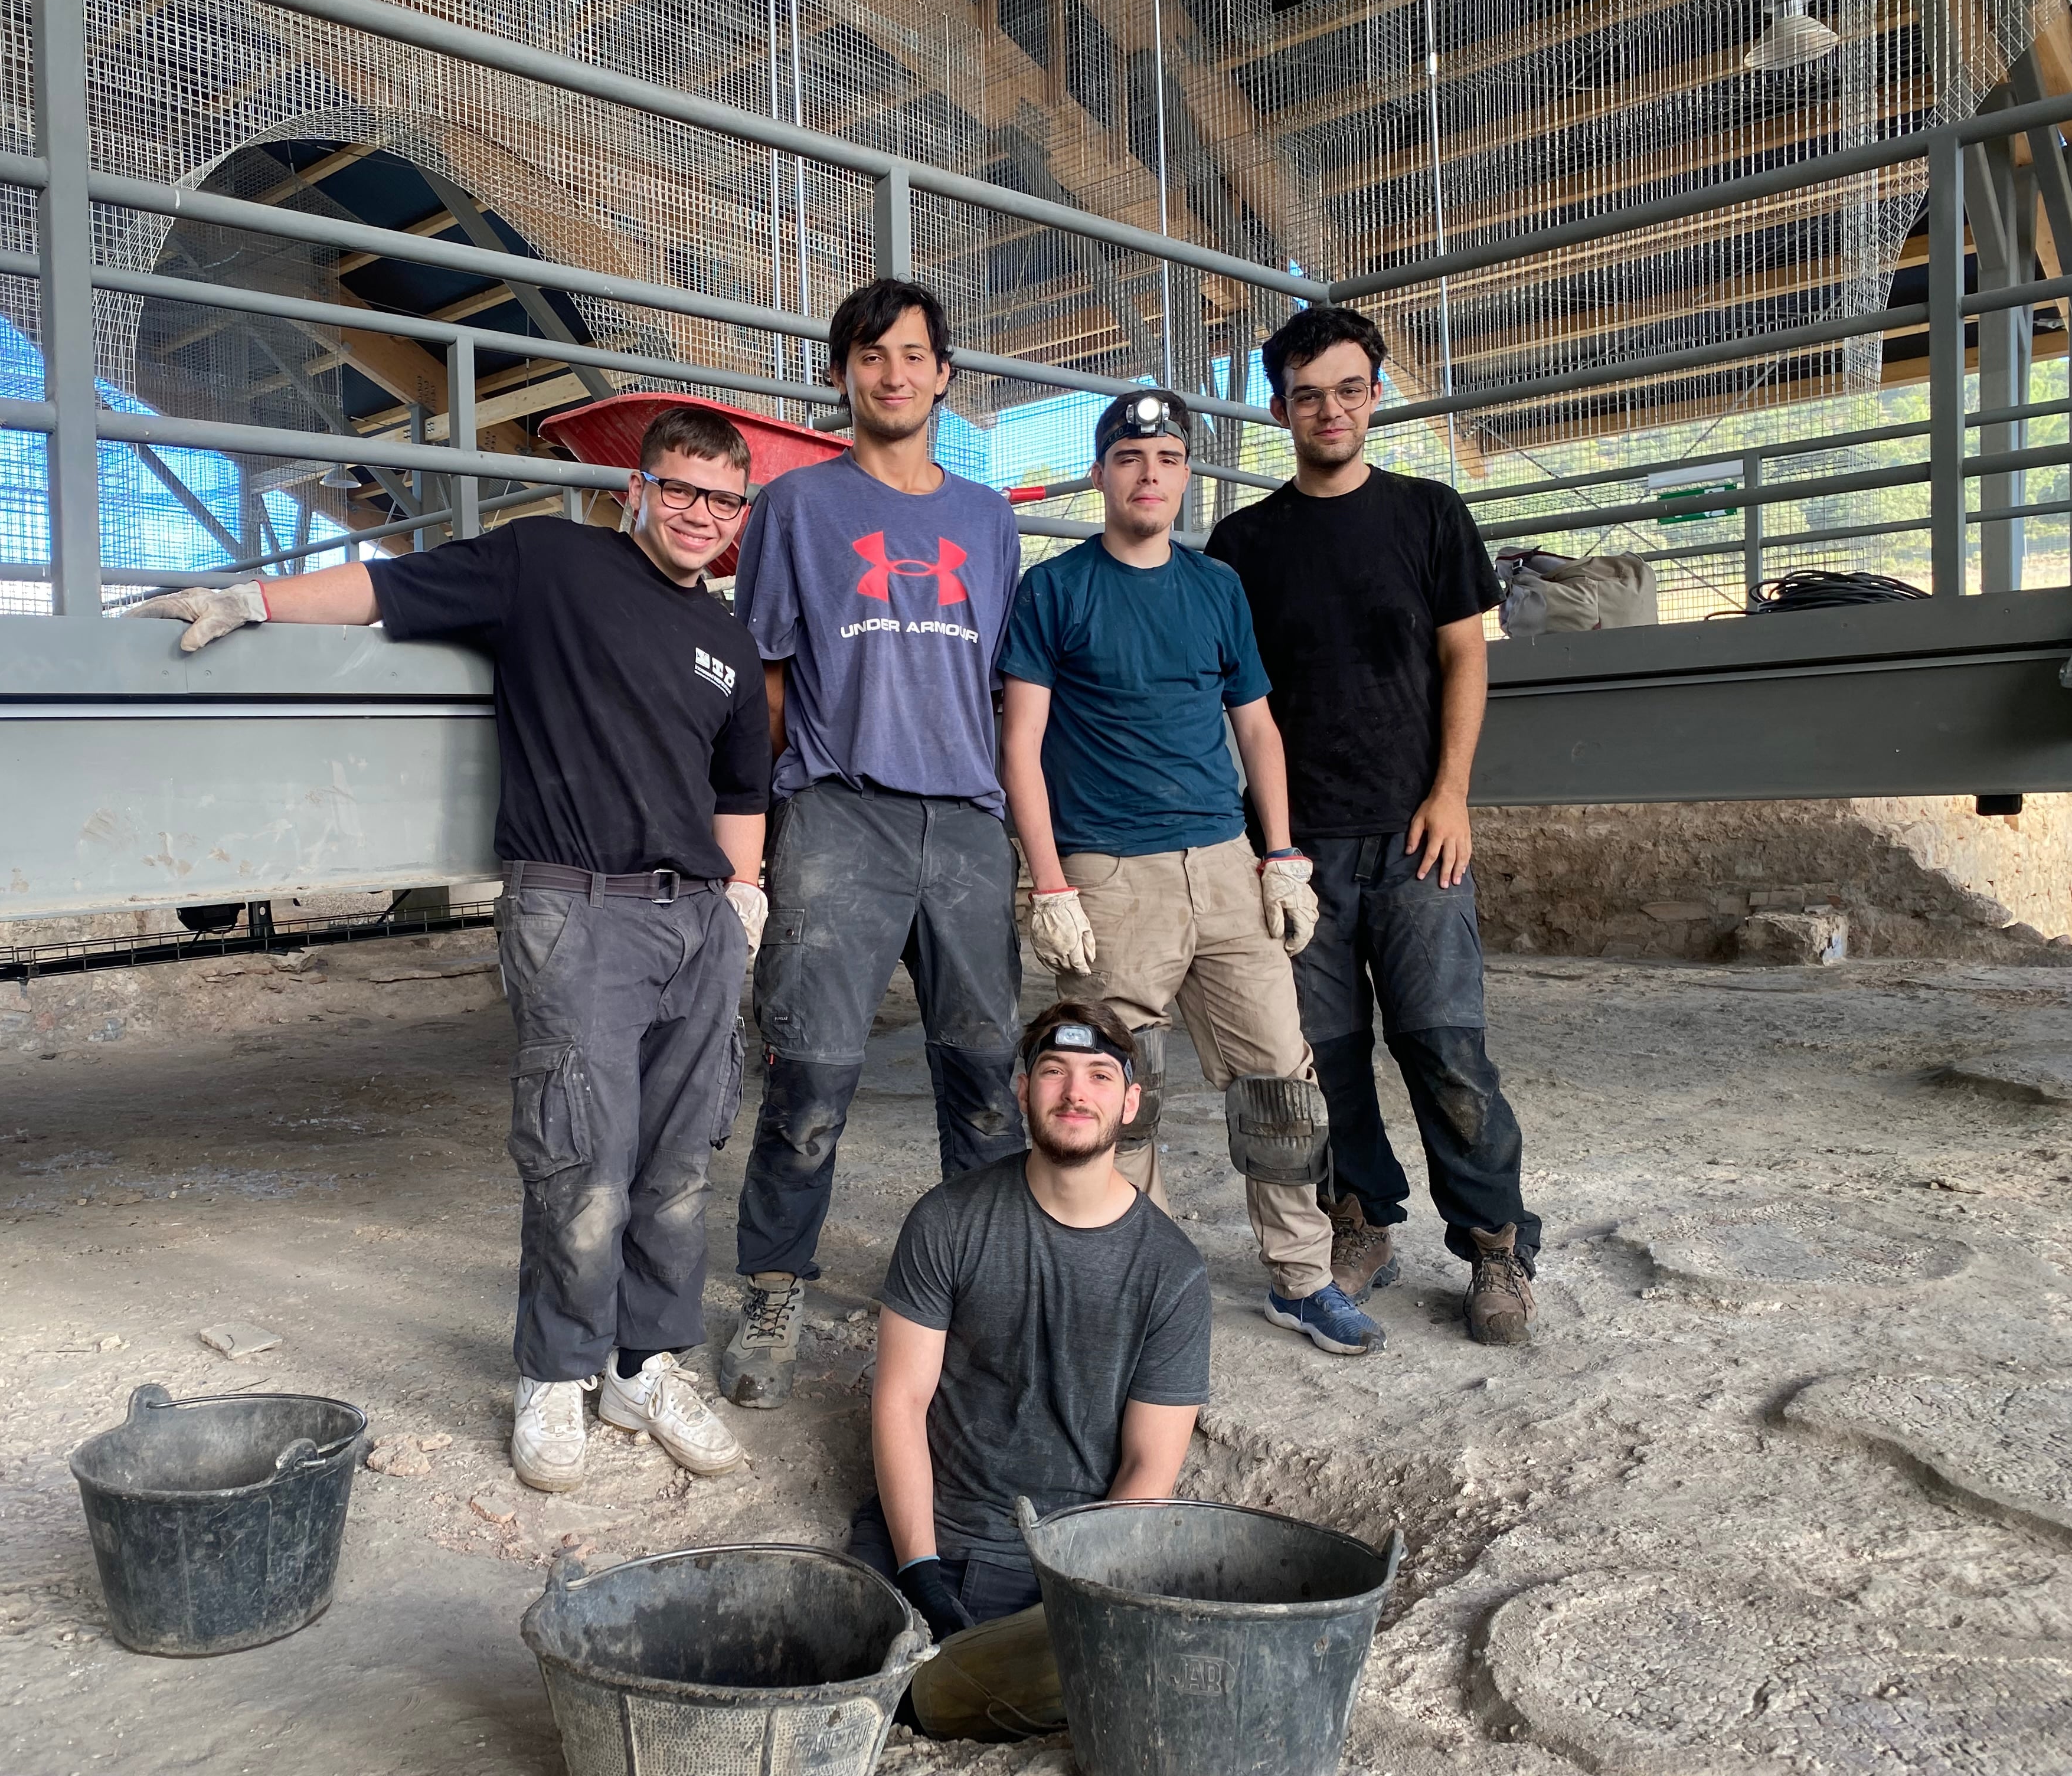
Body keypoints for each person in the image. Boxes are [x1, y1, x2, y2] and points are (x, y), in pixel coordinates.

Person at [126, 404, 774, 1483]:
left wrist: (742, 898)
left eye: (722, 498)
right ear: (637, 491)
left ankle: (645, 1362)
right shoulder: (548, 566)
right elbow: (387, 588)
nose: (700, 513)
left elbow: (741, 785)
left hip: (697, 921)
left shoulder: (726, 639)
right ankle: (557, 1371)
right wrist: (254, 598)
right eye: (680, 489)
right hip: (576, 907)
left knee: (676, 1166)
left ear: (739, 513)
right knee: (582, 1158)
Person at [998, 390, 1382, 1357]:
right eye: (1130, 457)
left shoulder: (1215, 588)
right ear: (1100, 474)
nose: (1150, 475)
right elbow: (1022, 742)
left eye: (1168, 457)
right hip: (1110, 868)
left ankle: (1299, 1274)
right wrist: (1047, 880)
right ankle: (1141, 1272)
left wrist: (1281, 852)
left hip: (1222, 861)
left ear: (1185, 475)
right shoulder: (1055, 589)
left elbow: (1255, 723)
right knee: (1115, 1082)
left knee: (1278, 1075)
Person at [1206, 306, 1542, 1346]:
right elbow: (1232, 700)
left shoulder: (1431, 515)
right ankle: (1361, 1218)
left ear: (1375, 394)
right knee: (1324, 1059)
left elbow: (1466, 658)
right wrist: (1264, 842)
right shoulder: (1241, 544)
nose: (1329, 409)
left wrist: (1451, 792)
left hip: (1414, 837)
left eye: (1348, 389)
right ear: (1279, 408)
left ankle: (1494, 1243)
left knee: (1444, 1048)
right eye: (1307, 394)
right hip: (1296, 849)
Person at [720, 277, 1030, 1408]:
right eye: (869, 354)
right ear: (841, 373)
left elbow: (1008, 688)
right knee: (808, 1073)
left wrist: (1022, 839)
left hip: (964, 819)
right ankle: (772, 1280)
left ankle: (990, 1282)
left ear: (945, 375)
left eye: (912, 355)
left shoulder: (989, 522)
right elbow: (762, 681)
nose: (892, 373)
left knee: (985, 1073)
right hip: (836, 810)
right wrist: (755, 838)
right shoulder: (798, 508)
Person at [849, 1000, 1209, 1637]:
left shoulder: (1171, 1271)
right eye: (1054, 1072)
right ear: (1022, 1091)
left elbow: (1149, 1467)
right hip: (929, 1536)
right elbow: (900, 1400)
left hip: (1065, 1560)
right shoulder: (947, 1220)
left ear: (1130, 1103)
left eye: (1100, 1075)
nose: (1075, 1093)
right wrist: (921, 1572)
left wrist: (1077, 1599)